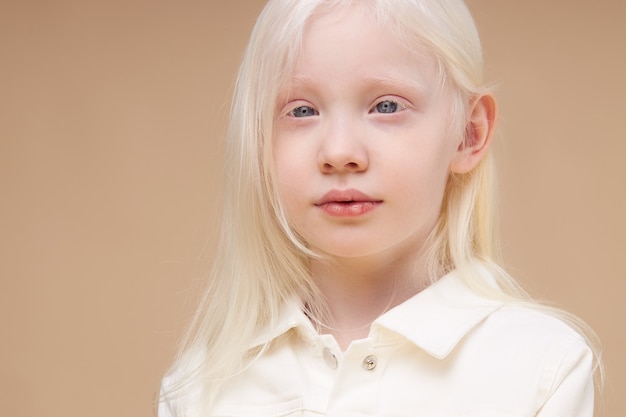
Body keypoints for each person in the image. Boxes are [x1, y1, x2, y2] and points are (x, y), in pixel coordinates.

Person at [159, 0, 603, 415]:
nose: (338, 151)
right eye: (301, 111)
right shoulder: (199, 389)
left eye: (386, 106)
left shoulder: (540, 371)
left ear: (468, 134)